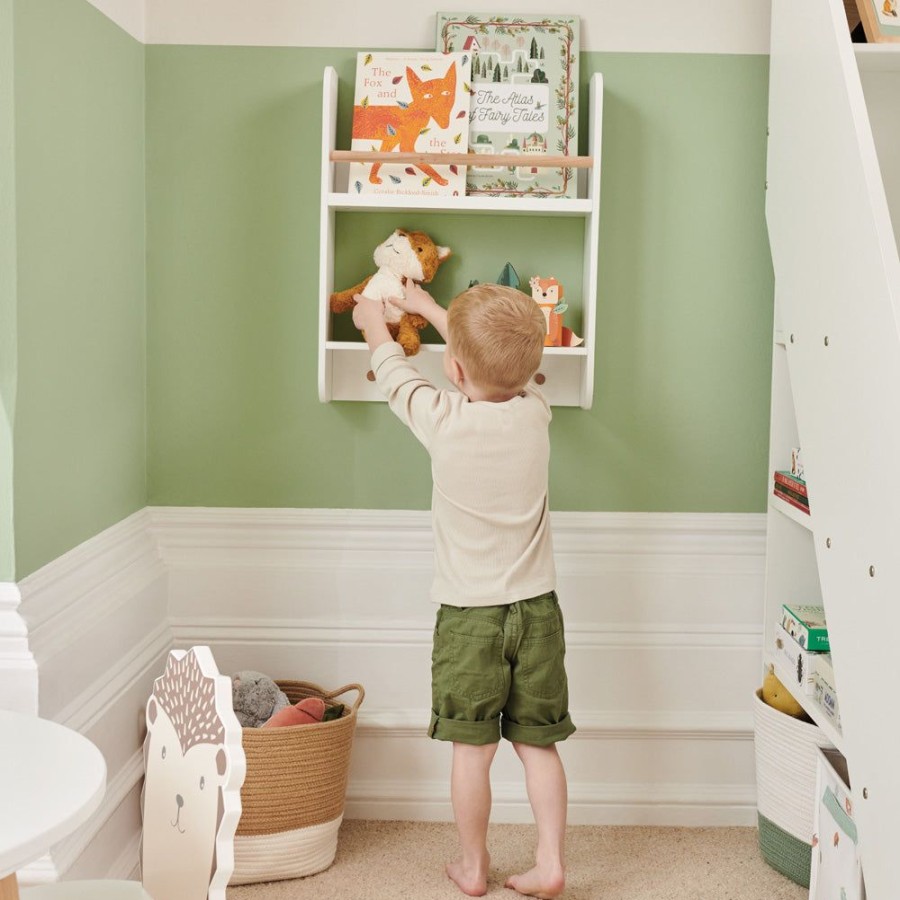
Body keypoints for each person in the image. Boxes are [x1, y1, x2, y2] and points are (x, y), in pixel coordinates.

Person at [352, 281, 575, 899]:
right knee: (539, 746)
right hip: (538, 613)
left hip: (469, 619)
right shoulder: (536, 412)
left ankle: (474, 866)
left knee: (471, 754)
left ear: (451, 368)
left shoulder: (440, 418)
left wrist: (375, 320)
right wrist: (429, 309)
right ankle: (551, 861)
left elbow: (393, 370)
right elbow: (489, 361)